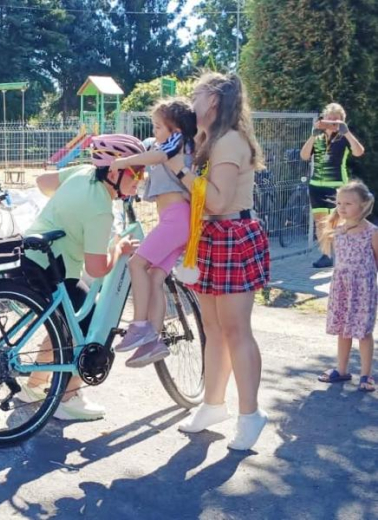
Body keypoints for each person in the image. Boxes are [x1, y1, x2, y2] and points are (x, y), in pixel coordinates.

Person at [168, 72, 270, 451]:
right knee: (213, 327)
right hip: (211, 236)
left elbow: (218, 201)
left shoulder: (229, 141)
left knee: (235, 330)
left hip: (232, 234)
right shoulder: (209, 139)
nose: (191, 99)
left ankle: (251, 414)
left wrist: (179, 167)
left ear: (214, 100)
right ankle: (213, 405)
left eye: (197, 93)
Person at [19, 134, 144, 421]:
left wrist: (66, 209)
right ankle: (68, 398)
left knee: (64, 320)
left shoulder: (82, 173)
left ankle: (33, 388)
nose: (140, 179)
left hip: (30, 259)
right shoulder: (100, 209)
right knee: (87, 324)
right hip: (54, 269)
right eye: (136, 171)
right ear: (113, 172)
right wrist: (118, 249)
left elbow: (43, 183)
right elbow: (99, 268)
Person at [109, 98, 198, 368]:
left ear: (176, 129)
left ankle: (139, 326)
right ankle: (153, 342)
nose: (154, 132)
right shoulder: (172, 145)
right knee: (155, 275)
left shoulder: (177, 144)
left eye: (159, 127)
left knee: (137, 263)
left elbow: (159, 155)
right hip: (176, 220)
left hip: (176, 219)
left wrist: (123, 161)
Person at [316, 180, 376, 392]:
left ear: (363, 205)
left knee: (363, 332)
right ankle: (341, 370)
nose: (341, 207)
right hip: (342, 287)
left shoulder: (372, 232)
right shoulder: (338, 230)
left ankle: (366, 376)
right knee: (343, 329)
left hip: (363, 290)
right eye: (339, 202)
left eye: (348, 203)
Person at [300, 103, 365, 268]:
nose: (332, 122)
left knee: (339, 222)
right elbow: (304, 155)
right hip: (316, 186)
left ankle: (345, 253)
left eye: (336, 120)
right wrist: (313, 135)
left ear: (342, 121)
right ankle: (326, 255)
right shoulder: (318, 137)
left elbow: (359, 152)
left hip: (336, 186)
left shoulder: (343, 138)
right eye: (329, 118)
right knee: (320, 222)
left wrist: (347, 132)